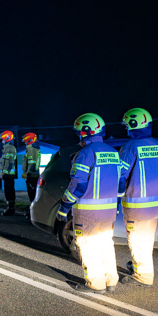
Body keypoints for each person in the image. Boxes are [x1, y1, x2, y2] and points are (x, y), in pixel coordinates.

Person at [56, 113, 122, 293]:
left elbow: (77, 185)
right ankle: (110, 281)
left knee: (87, 244)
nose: (78, 135)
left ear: (86, 131)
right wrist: (116, 206)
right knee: (106, 244)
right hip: (108, 211)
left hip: (88, 211)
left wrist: (63, 207)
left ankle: (95, 284)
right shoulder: (113, 153)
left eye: (79, 131)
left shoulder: (85, 154)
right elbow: (121, 183)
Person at [117, 107, 158, 287]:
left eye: (127, 125)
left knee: (137, 240)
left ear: (133, 125)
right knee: (146, 239)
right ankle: (140, 266)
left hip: (136, 205)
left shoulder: (130, 147)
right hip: (155, 205)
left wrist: (115, 199)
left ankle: (143, 277)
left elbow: (120, 176)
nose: (126, 128)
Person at [21, 132, 41, 219]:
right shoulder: (34, 149)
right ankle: (34, 213)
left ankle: (33, 214)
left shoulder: (31, 150)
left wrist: (27, 174)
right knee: (33, 195)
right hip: (34, 176)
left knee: (32, 195)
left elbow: (32, 165)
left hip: (32, 176)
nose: (25, 142)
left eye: (26, 141)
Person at [0, 130, 17, 216]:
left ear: (7, 138)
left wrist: (4, 173)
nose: (2, 141)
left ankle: (11, 208)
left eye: (3, 139)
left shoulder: (10, 148)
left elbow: (10, 163)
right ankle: (9, 207)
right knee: (7, 191)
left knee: (9, 192)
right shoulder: (7, 148)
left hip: (8, 175)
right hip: (7, 175)